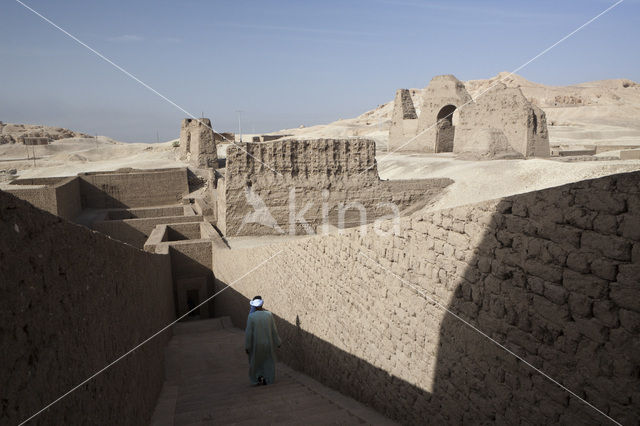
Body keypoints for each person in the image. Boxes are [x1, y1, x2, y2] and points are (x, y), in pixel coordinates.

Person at [244, 297, 281, 386]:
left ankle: (256, 379)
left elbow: (249, 333)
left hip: (256, 345)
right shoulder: (269, 315)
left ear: (254, 306)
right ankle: (268, 379)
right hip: (268, 343)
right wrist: (278, 342)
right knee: (268, 362)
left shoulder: (251, 317)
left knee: (255, 362)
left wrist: (247, 346)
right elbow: (274, 330)